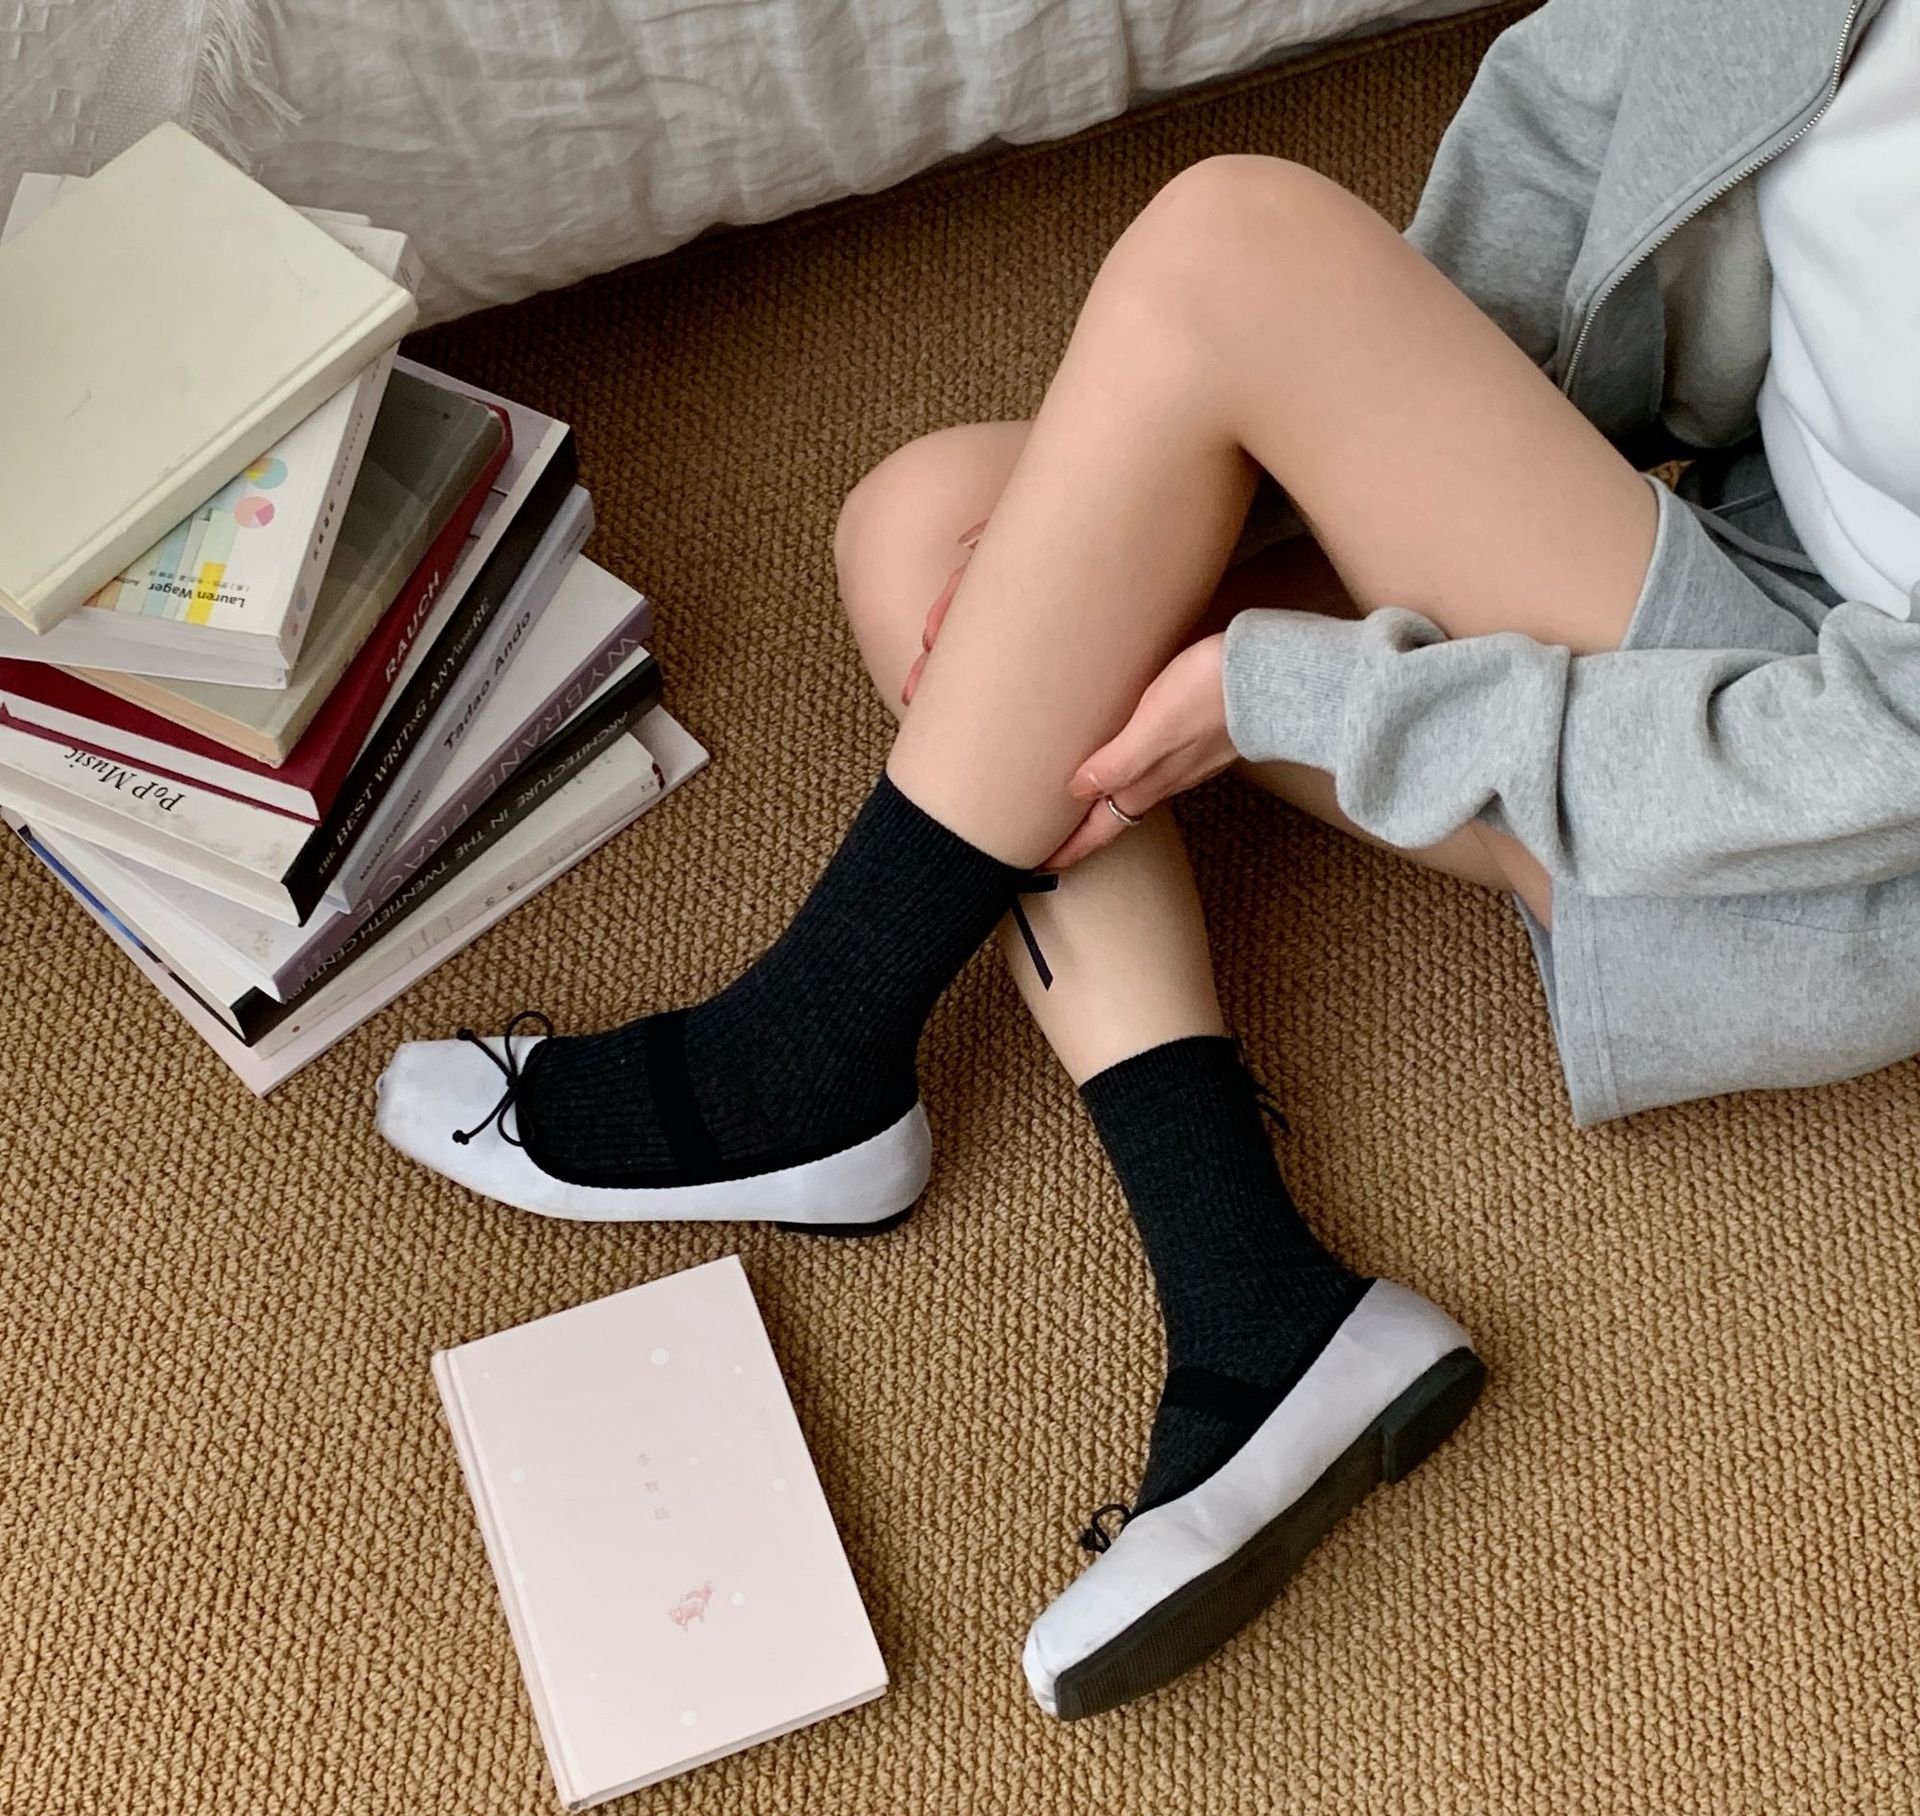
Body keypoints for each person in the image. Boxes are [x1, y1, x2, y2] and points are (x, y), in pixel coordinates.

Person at [379, 0, 1920, 1719]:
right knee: (936, 529)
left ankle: (804, 1047)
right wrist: (1272, 456)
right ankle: (1254, 1292)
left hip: (1811, 859)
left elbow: (1877, 768)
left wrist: (1301, 685)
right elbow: (1584, 130)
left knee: (1230, 250)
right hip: (1723, 579)